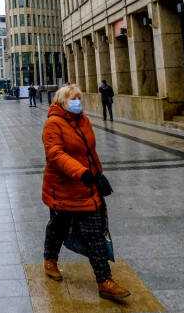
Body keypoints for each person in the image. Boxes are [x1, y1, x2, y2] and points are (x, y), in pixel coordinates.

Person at [41, 84, 130, 301]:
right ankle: (50, 260)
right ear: (62, 102)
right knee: (58, 228)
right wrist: (81, 172)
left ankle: (104, 281)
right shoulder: (53, 124)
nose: (78, 102)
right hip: (63, 188)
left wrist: (98, 175)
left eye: (79, 98)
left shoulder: (83, 120)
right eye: (73, 98)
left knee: (95, 234)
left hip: (87, 186)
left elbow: (90, 152)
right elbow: (55, 154)